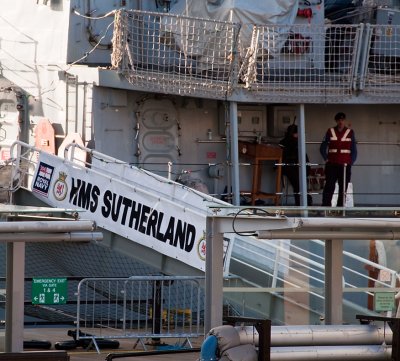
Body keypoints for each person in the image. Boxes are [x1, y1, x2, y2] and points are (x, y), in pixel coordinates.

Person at [320, 112, 357, 207]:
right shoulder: (330, 131)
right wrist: (326, 159)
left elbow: (354, 150)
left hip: (345, 165)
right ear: (336, 121)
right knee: (329, 186)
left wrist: (350, 162)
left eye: (342, 120)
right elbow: (322, 147)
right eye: (339, 120)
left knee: (343, 188)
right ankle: (325, 207)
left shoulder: (350, 132)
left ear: (344, 121)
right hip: (332, 164)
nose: (341, 122)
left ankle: (340, 208)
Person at [279, 124, 313, 206]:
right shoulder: (284, 142)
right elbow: (285, 155)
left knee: (302, 184)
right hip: (289, 168)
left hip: (299, 168)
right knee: (298, 185)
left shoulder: (298, 142)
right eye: (296, 133)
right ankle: (301, 204)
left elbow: (304, 157)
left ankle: (306, 202)